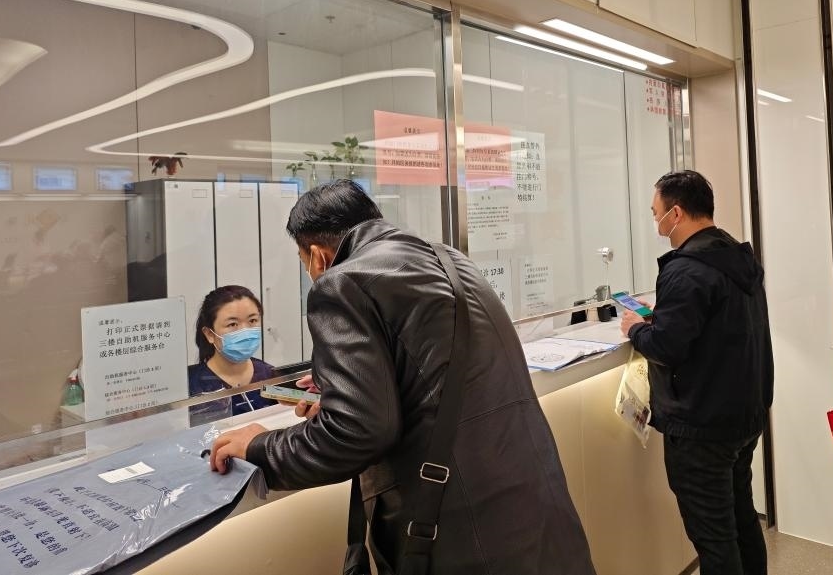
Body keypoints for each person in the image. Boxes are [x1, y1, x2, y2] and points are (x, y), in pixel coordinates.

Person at [210, 180, 595, 575]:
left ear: (318, 256)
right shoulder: (449, 260)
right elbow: (435, 374)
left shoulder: (341, 283)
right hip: (537, 508)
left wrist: (259, 446)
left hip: (463, 535)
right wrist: (348, 389)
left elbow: (355, 434)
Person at [620, 170, 773, 575]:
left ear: (676, 213)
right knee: (741, 518)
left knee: (714, 538)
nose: (656, 223)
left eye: (656, 213)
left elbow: (667, 348)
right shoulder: (735, 255)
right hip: (743, 414)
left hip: (701, 425)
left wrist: (635, 329)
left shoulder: (687, 269)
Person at [188, 285, 276, 423]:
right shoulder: (192, 386)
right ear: (210, 334)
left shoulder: (270, 375)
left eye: (252, 321)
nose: (245, 331)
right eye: (233, 324)